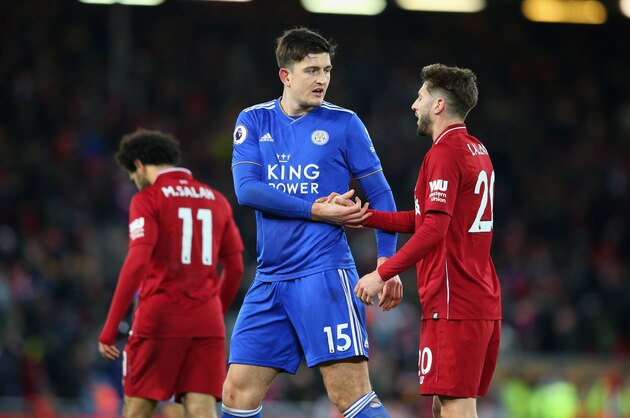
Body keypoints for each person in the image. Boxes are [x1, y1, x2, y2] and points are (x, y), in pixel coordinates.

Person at [222, 27, 403, 418]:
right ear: (285, 75)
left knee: (349, 397)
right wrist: (315, 209)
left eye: (327, 70)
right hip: (270, 278)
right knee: (236, 393)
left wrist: (387, 265)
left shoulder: (345, 124)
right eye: (311, 70)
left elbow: (383, 196)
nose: (322, 79)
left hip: (323, 274)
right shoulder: (254, 120)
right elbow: (248, 190)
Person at [348, 64, 502, 418]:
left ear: (437, 105)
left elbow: (434, 230)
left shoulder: (444, 154)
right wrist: (362, 216)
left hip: (455, 302)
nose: (413, 105)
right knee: (443, 404)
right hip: (477, 297)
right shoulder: (476, 149)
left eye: (420, 97)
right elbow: (426, 220)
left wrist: (383, 272)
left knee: (455, 406)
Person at [98, 128, 245, 418]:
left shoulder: (148, 198)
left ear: (139, 164)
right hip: (207, 324)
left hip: (159, 319)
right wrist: (214, 310)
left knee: (137, 409)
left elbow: (137, 261)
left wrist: (110, 327)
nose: (133, 181)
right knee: (202, 410)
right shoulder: (216, 200)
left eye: (132, 174)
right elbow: (236, 268)